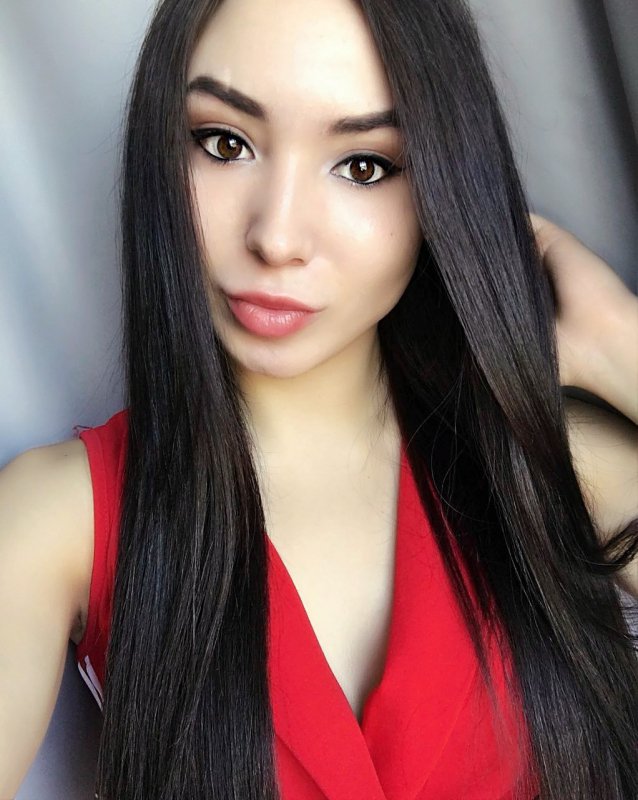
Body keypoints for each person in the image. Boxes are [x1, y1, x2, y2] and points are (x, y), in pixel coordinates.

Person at [0, 0, 636, 797]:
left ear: (443, 187)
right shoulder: (63, 517)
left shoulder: (548, 457)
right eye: (224, 143)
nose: (277, 237)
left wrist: (620, 347)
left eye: (364, 165)